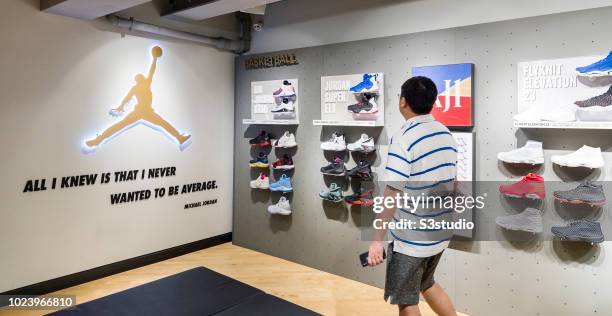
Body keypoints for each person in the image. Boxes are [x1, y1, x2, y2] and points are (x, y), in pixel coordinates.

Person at [368, 76, 458, 316]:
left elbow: (391, 192)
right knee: (427, 283)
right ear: (433, 102)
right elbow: (453, 182)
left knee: (406, 299)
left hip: (411, 238)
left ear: (403, 101)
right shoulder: (445, 133)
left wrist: (377, 239)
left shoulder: (404, 138)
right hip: (440, 230)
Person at [84, 46, 191, 152]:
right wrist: (120, 106)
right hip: (140, 111)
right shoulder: (139, 87)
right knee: (122, 125)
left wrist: (154, 59)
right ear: (138, 80)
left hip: (146, 112)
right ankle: (98, 140)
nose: (141, 79)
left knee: (159, 124)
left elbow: (151, 71)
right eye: (139, 79)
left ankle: (179, 138)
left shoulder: (144, 85)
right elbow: (127, 98)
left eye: (140, 78)